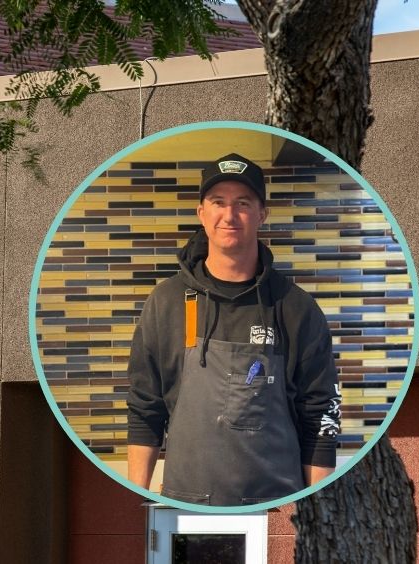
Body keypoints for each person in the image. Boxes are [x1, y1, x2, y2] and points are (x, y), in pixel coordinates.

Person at [126, 153, 341, 506]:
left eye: (242, 203)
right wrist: (137, 497)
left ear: (262, 214)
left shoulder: (295, 308)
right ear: (201, 213)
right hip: (186, 504)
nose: (230, 215)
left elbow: (320, 413)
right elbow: (144, 406)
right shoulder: (166, 303)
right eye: (218, 202)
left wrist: (317, 509)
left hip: (278, 507)